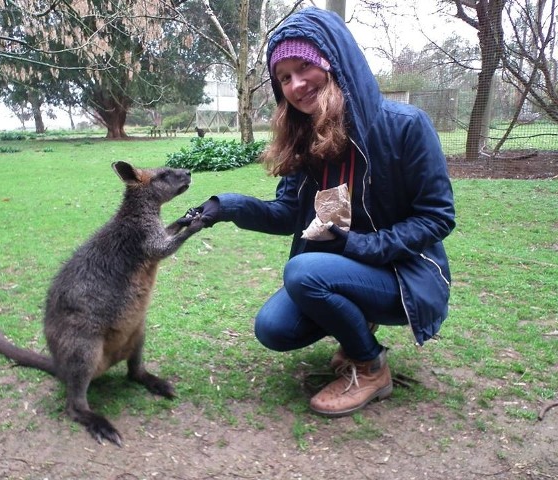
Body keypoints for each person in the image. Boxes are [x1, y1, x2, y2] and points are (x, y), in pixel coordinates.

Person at [183, 6, 455, 417]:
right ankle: (357, 325)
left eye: (304, 67)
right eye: (283, 78)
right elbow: (287, 215)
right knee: (273, 328)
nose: (296, 84)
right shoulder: (305, 140)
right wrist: (226, 207)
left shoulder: (405, 126)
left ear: (333, 61)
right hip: (342, 269)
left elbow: (437, 217)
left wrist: (363, 245)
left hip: (407, 276)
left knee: (302, 274)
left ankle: (369, 368)